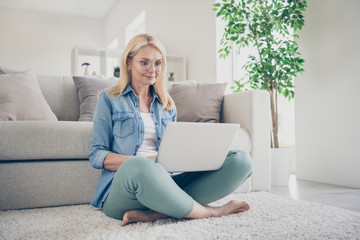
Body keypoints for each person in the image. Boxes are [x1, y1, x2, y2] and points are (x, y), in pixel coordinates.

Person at [89, 33, 253, 227]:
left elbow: (172, 152)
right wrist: (149, 162)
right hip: (127, 188)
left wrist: (187, 158)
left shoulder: (167, 104)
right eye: (145, 63)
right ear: (128, 63)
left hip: (167, 182)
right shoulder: (109, 99)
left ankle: (156, 213)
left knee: (241, 161)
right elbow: (97, 155)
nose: (153, 70)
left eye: (158, 63)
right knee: (140, 166)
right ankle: (210, 211)